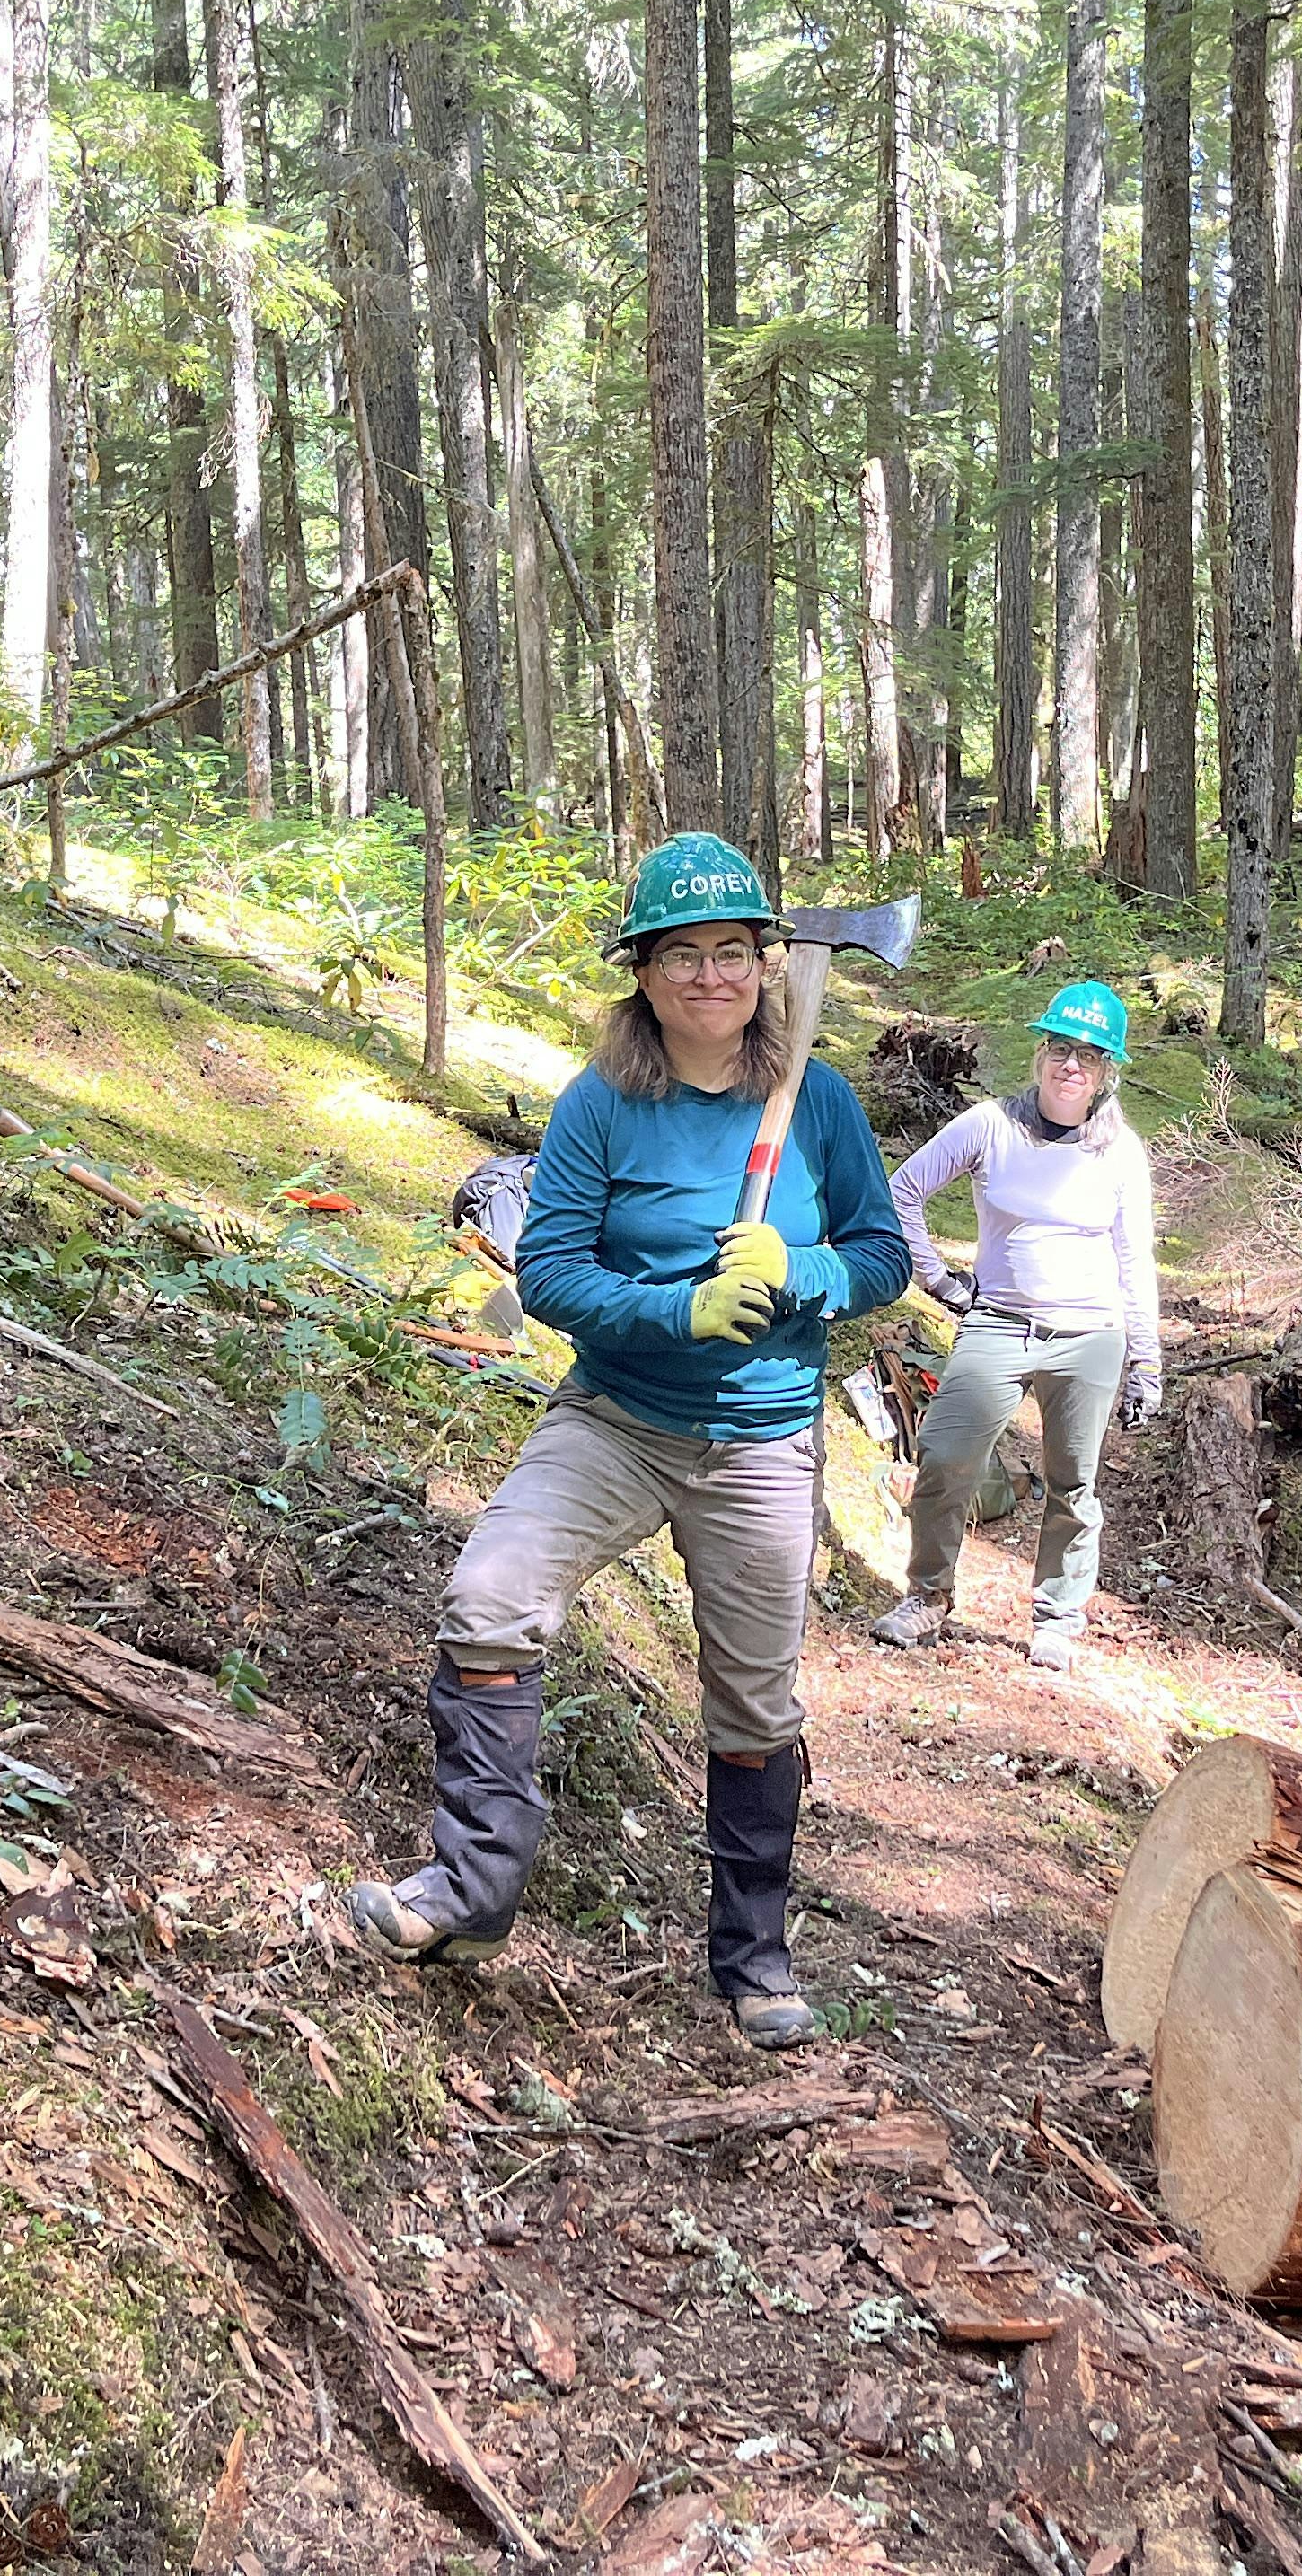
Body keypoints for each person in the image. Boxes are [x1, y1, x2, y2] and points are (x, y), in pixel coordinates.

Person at [348, 834, 910, 2051]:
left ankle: (754, 1958)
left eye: (732, 952)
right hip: (618, 1419)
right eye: (680, 956)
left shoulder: (818, 1100)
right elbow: (546, 1271)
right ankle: (474, 1887)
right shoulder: (603, 1102)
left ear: (767, 965)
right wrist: (678, 1309)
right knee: (490, 1595)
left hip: (762, 1438)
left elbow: (886, 1257)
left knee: (755, 1703)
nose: (710, 978)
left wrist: (803, 1270)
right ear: (642, 976)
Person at [870, 983, 1162, 1675]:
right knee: (944, 1456)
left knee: (1075, 1480)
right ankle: (928, 1596)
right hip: (998, 1320)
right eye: (1061, 1049)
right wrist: (938, 1281)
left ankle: (1058, 1616)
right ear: (1040, 1054)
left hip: (1091, 1335)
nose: (1072, 1066)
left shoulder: (1121, 1153)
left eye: (1090, 1057)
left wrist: (1147, 1362)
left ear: (1107, 1073)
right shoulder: (989, 1126)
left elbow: (1134, 1258)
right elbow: (902, 1190)